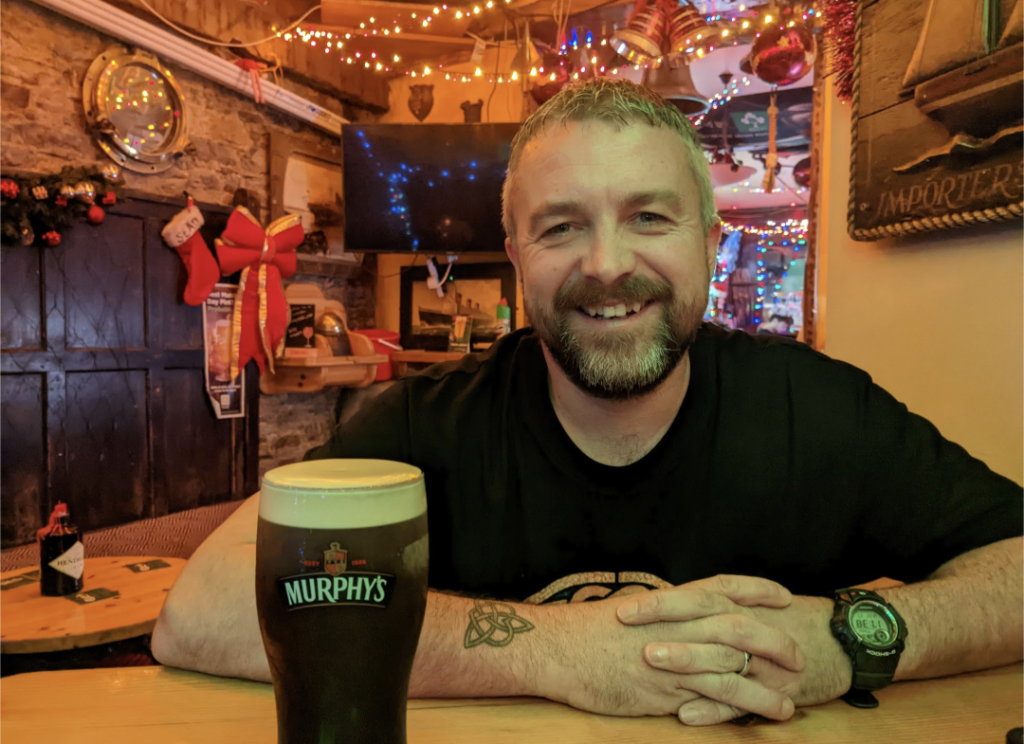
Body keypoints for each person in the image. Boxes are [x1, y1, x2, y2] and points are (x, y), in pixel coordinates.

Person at [152, 79, 1024, 727]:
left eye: (650, 217)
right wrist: (561, 648)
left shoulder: (822, 410)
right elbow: (201, 609)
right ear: (515, 253)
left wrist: (846, 638)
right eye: (562, 226)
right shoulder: (424, 424)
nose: (606, 265)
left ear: (710, 243)